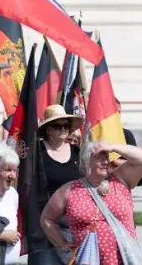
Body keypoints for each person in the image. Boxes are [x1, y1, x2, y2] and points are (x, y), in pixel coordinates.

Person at [40, 140, 142, 265]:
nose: (105, 162)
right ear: (85, 162)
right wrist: (62, 244)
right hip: (87, 261)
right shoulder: (70, 189)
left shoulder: (120, 179)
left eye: (107, 157)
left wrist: (113, 146)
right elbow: (47, 218)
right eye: (100, 158)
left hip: (126, 260)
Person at [28, 105, 83, 265]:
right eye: (58, 126)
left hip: (72, 221)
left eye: (66, 126)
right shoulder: (36, 152)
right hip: (43, 221)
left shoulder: (77, 152)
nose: (63, 129)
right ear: (48, 130)